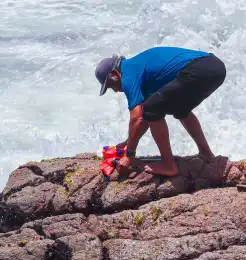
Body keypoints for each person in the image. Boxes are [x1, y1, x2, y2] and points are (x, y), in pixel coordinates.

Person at [95, 47, 226, 177]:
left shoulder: (128, 75)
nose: (115, 90)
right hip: (215, 67)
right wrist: (127, 143)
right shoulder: (139, 70)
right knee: (179, 108)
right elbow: (145, 118)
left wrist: (129, 155)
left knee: (153, 107)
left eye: (111, 85)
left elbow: (137, 117)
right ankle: (206, 153)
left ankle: (169, 165)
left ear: (116, 74)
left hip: (199, 69)